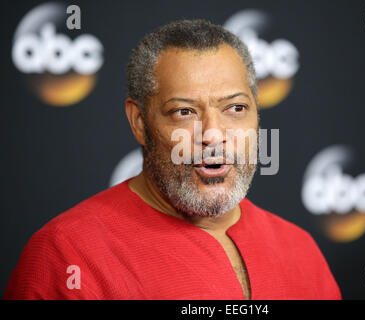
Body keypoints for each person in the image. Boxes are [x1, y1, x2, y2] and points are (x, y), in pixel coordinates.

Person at [4, 19, 341, 300]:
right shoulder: (68, 255)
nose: (213, 134)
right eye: (184, 111)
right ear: (139, 122)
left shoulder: (300, 250)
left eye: (235, 108)